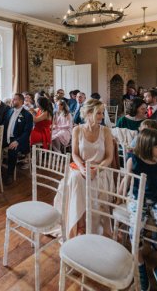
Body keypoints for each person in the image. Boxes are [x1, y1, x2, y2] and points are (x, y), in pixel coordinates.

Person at [122, 128, 157, 291]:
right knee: (136, 225)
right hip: (137, 197)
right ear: (147, 146)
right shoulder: (134, 160)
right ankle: (139, 262)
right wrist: (120, 197)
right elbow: (126, 180)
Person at [59, 99, 114, 236]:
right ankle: (79, 225)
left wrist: (97, 170)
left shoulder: (106, 131)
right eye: (98, 113)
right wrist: (82, 168)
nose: (101, 116)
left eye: (102, 113)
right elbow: (75, 154)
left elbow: (109, 157)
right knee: (77, 178)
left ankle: (92, 227)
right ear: (88, 113)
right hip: (81, 167)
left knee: (87, 181)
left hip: (101, 169)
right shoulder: (77, 130)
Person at [3, 93, 34, 185]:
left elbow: (27, 132)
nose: (12, 101)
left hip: (20, 140)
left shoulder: (27, 115)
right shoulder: (9, 111)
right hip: (7, 138)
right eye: (13, 99)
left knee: (12, 150)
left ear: (21, 101)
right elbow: (4, 126)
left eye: (15, 99)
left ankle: (9, 175)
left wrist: (17, 141)